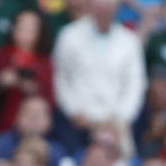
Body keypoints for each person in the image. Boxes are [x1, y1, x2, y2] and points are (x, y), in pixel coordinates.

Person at [52, 0, 146, 153]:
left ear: (117, 9)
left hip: (116, 123)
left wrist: (121, 117)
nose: (104, 12)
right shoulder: (69, 35)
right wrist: (73, 111)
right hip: (78, 122)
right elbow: (61, 79)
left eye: (108, 8)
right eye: (100, 7)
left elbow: (135, 84)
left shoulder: (129, 41)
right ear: (91, 7)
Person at [0, 7, 54, 134]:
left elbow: (50, 100)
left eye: (31, 27)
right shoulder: (0, 57)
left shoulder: (45, 63)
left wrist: (34, 90)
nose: (25, 31)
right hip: (1, 125)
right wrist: (1, 82)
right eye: (21, 25)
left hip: (34, 129)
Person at [0, 96, 68, 166]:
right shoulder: (0, 143)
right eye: (29, 113)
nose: (34, 119)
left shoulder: (57, 149)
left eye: (39, 115)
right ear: (17, 117)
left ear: (49, 122)